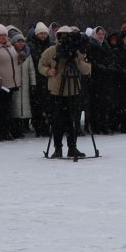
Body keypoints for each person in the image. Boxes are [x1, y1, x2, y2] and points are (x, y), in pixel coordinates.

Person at [40, 27, 95, 156]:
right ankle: (57, 148)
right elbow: (41, 65)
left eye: (66, 36)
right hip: (56, 91)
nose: (64, 39)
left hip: (73, 90)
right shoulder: (51, 51)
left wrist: (76, 60)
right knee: (57, 121)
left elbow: (87, 69)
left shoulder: (78, 52)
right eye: (61, 36)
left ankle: (72, 147)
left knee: (73, 120)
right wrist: (49, 71)